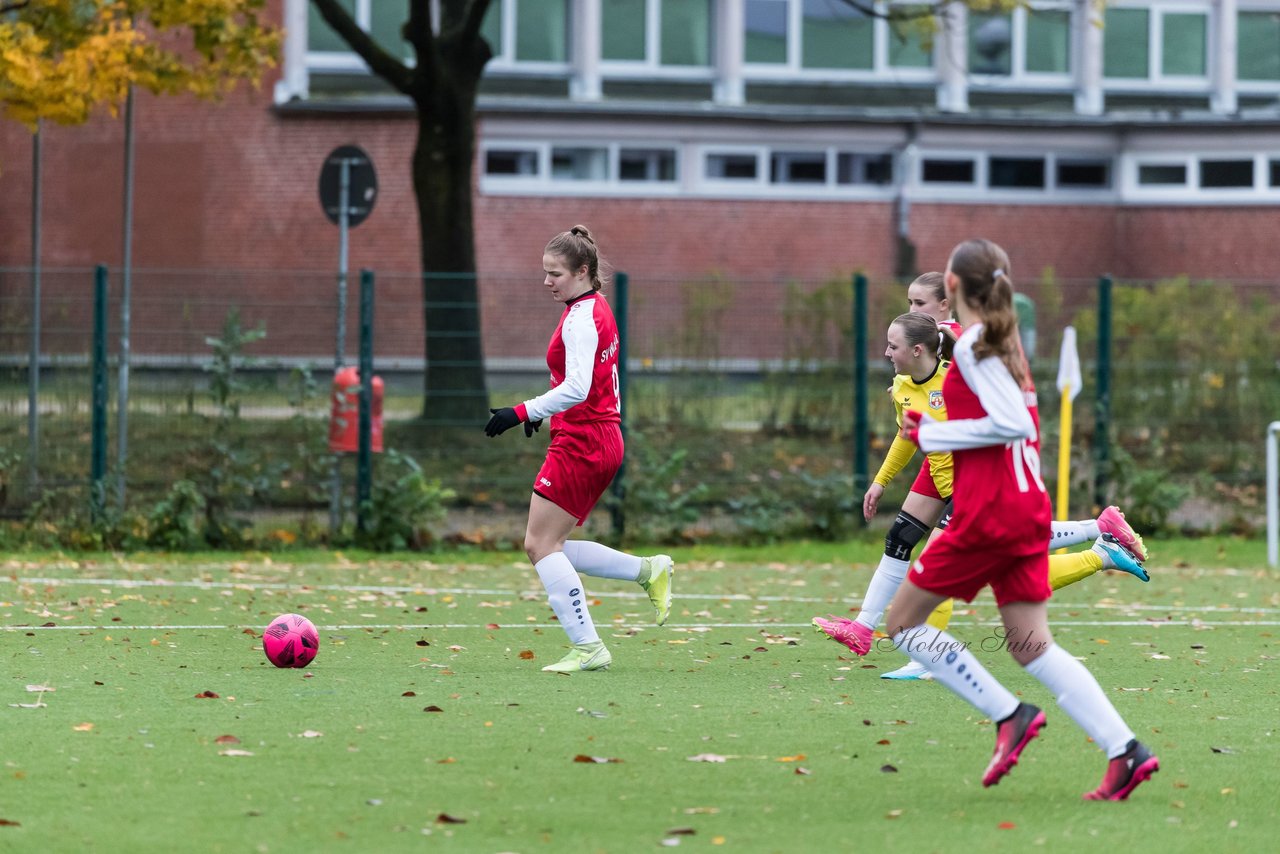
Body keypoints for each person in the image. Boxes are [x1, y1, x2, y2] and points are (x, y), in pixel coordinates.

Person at [883, 238, 1158, 800]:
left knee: (903, 624)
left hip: (991, 510)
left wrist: (932, 434)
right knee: (1032, 645)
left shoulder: (973, 347)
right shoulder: (1000, 341)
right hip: (1023, 504)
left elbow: (1009, 424)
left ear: (953, 288)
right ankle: (1126, 751)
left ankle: (1008, 716)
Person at [814, 278, 1148, 681]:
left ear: (943, 306)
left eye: (920, 303)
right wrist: (881, 481)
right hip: (940, 471)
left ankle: (928, 658)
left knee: (969, 566)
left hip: (979, 477)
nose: (913, 311)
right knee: (903, 538)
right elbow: (907, 433)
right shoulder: (907, 378)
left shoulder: (963, 357)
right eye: (909, 303)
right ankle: (864, 628)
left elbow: (993, 383)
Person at [484, 225, 673, 673]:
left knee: (539, 544)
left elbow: (578, 387)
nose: (547, 282)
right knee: (551, 544)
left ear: (582, 271)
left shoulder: (582, 316)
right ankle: (647, 571)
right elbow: (594, 389)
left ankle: (589, 646)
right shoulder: (593, 307)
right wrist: (546, 416)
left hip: (585, 441)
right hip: (593, 436)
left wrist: (523, 411)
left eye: (555, 274)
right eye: (545, 273)